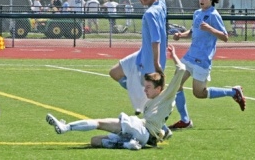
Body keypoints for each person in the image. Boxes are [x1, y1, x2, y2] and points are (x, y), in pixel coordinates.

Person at [46, 44, 186, 150]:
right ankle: (126, 143)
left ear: (159, 88)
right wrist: (162, 133)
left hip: (140, 130)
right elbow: (158, 123)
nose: (145, 90)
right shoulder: (154, 103)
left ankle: (66, 128)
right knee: (95, 141)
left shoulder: (167, 95)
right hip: (142, 134)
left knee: (99, 123)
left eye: (148, 87)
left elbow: (181, 69)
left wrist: (173, 55)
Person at [168, 0, 246, 130]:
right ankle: (185, 120)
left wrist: (210, 28)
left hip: (202, 60)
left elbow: (225, 37)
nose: (201, 0)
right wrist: (180, 35)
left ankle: (233, 92)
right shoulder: (197, 13)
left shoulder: (214, 15)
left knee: (200, 93)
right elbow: (192, 32)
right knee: (176, 84)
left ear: (211, 0)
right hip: (190, 56)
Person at [109, 0, 175, 115]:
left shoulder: (150, 14)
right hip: (141, 54)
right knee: (115, 72)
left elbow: (156, 41)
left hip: (149, 59)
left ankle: (161, 116)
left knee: (148, 95)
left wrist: (157, 64)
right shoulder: (160, 1)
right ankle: (149, 104)